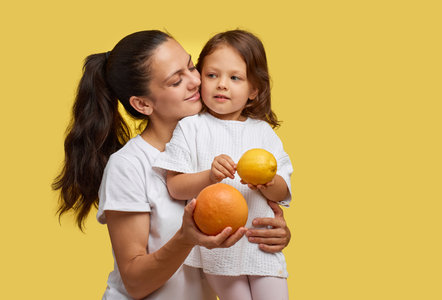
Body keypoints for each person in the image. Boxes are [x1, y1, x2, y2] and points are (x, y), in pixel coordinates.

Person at [52, 30, 291, 300]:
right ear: (142, 104)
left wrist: (267, 235)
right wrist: (187, 237)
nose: (195, 80)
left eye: (191, 66)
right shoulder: (128, 166)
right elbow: (135, 283)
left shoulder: (226, 142)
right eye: (177, 80)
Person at [153, 30, 293, 300]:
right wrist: (209, 175)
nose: (222, 85)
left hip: (261, 245)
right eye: (212, 75)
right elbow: (175, 186)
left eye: (235, 78)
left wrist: (268, 182)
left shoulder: (264, 133)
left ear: (254, 90)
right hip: (218, 247)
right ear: (200, 78)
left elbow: (282, 192)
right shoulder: (191, 128)